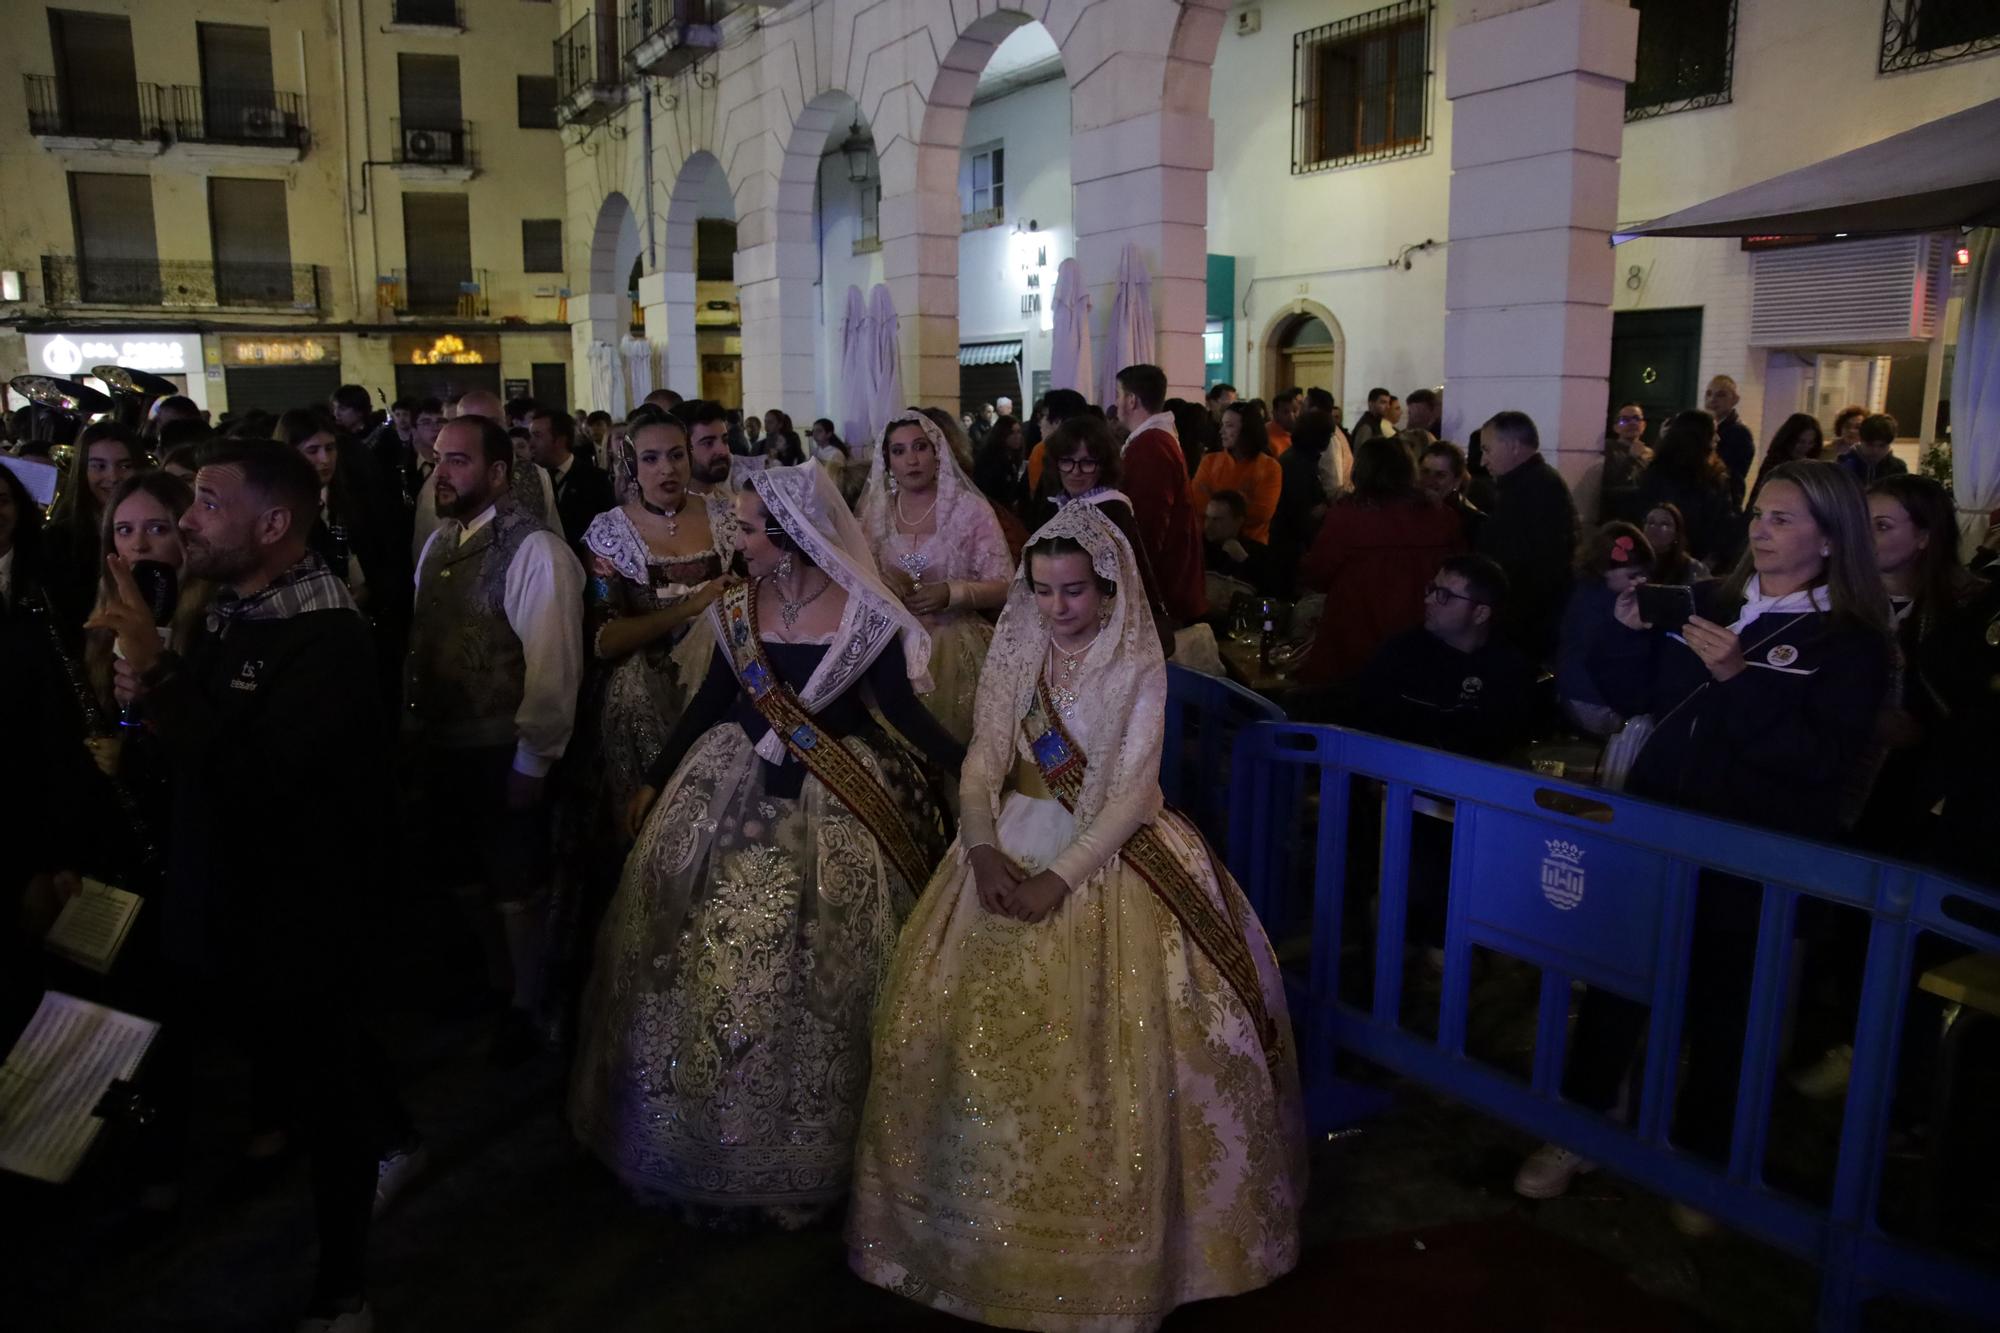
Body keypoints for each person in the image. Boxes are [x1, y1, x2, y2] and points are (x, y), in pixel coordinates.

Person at [847, 502, 1305, 1328]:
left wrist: (1057, 879)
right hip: (1004, 840)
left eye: (1075, 591)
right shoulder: (1013, 648)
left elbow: (1131, 793)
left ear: (1108, 586)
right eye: (1045, 589)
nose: (1059, 607)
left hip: (1107, 855)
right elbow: (984, 756)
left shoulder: (1137, 664)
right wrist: (982, 847)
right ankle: (965, 1241)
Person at [570, 463, 963, 1224]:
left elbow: (905, 717)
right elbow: (715, 701)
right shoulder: (739, 608)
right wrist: (654, 777)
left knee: (830, 965)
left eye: (748, 529)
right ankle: (709, 1132)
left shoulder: (866, 618)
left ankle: (818, 1135)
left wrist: (973, 765)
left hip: (840, 799)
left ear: (788, 539)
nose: (736, 540)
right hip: (730, 788)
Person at [1516, 461, 1895, 1220]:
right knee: (1616, 988)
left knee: (1728, 1013)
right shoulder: (1719, 601)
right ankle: (1586, 1123)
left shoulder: (1851, 639)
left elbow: (1820, 761)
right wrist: (1625, 637)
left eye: (1784, 517)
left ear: (1830, 536)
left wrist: (1738, 678)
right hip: (1658, 829)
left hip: (1755, 853)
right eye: (1760, 513)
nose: (1761, 527)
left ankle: (1701, 1163)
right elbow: (1642, 699)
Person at [95, 439, 404, 1332]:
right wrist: (147, 697)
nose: (185, 522)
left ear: (273, 524)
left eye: (205, 503)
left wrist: (158, 671)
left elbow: (260, 779)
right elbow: (200, 753)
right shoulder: (232, 611)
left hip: (300, 919)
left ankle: (344, 1286)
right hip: (220, 901)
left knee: (326, 1098)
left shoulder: (330, 635)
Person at [406, 415, 585, 1062]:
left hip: (502, 749)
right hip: (445, 746)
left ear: (499, 472)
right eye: (438, 460)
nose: (442, 473)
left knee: (518, 884)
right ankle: (496, 981)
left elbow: (552, 664)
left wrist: (533, 758)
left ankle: (527, 1003)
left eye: (457, 460)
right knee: (466, 879)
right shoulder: (441, 546)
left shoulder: (534, 550)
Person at [860, 411, 1013, 743]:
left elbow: (1006, 585)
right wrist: (885, 589)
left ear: (938, 452)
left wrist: (951, 593)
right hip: (891, 642)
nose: (911, 460)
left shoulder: (969, 510)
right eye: (898, 451)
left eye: (920, 447)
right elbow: (859, 578)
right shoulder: (876, 513)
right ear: (887, 460)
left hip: (954, 641)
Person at [1296, 434, 1466, 687]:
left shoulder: (1347, 516)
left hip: (1355, 637)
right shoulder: (1441, 516)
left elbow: (1318, 573)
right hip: (1421, 636)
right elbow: (1460, 572)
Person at [1354, 554, 1537, 761]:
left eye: (1444, 595)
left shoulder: (1507, 670)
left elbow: (1508, 748)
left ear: (1480, 613)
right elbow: (1366, 731)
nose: (1428, 600)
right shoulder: (1399, 654)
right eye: (1432, 589)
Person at [1472, 411, 1579, 665]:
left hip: (1527, 620)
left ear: (1513, 446)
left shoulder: (1537, 489)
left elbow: (1532, 561)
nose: (1483, 460)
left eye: (1487, 449)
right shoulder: (1525, 484)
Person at [1113, 364, 1205, 625]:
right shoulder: (1155, 439)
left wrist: (1138, 582)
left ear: (1131, 400)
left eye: (1118, 394)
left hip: (1164, 583)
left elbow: (1148, 522)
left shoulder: (1151, 445)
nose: (1116, 402)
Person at [42, 420, 143, 639]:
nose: (113, 477)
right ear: (81, 470)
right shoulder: (58, 539)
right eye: (99, 466)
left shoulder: (155, 530)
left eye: (125, 466)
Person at [1554, 522, 1655, 737]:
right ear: (1603, 570)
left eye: (1645, 574)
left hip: (1582, 694)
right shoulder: (1598, 605)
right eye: (1633, 575)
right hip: (1592, 699)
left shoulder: (1589, 595)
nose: (1641, 581)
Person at [1630, 409, 1740, 569]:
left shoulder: (1714, 476)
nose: (1718, 438)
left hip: (1680, 561)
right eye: (1714, 432)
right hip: (1674, 561)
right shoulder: (1711, 478)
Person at [1191, 399, 1283, 544]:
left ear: (1248, 429)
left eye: (1229, 426)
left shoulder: (1270, 467)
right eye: (1222, 425)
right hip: (1208, 544)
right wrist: (1242, 501)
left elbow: (1262, 514)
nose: (1221, 431)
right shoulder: (1209, 462)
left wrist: (1214, 499)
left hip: (1252, 547)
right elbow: (1198, 504)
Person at [529, 406, 616, 550]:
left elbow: (607, 532)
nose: (530, 444)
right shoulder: (530, 480)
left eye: (537, 436)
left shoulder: (595, 480)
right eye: (530, 436)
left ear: (559, 440)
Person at [1269, 408, 1338, 579]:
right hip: (1290, 546)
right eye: (1329, 436)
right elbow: (1301, 512)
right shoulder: (1299, 464)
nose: (1330, 441)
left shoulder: (1299, 458)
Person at [1573, 403, 1652, 527]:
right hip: (1616, 518)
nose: (1632, 423)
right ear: (1616, 427)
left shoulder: (1649, 454)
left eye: (1636, 419)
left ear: (1643, 425)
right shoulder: (1609, 449)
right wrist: (1631, 458)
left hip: (1642, 518)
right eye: (1624, 420)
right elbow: (1612, 482)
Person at [1202, 488, 1279, 600]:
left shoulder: (1258, 554)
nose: (1208, 525)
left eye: (1217, 520)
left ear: (1238, 522)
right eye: (1207, 518)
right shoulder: (1196, 548)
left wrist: (1245, 561)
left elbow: (1270, 593)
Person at [1024, 387, 1090, 494]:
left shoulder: (1043, 453)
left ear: (1058, 421)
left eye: (1044, 416)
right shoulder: (1096, 452)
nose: (1040, 423)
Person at [1703, 374, 1756, 506]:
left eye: (1721, 395)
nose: (1712, 400)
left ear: (1735, 400)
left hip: (1722, 505)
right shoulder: (1705, 430)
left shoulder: (1739, 433)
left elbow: (1730, 475)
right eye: (1709, 394)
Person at [1418, 439, 1484, 543]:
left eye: (1440, 475)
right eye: (1425, 472)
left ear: (1457, 481)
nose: (1429, 481)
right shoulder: (1407, 511)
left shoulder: (1472, 522)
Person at [1749, 412, 1824, 503]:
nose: (1806, 447)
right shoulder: (1776, 462)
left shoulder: (1809, 463)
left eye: (1811, 443)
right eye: (1800, 441)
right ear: (1789, 439)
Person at [971, 411, 1029, 512]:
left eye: (1019, 432)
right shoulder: (991, 459)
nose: (1017, 437)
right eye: (1011, 433)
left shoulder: (1011, 456)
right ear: (1002, 434)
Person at [1643, 501, 1710, 585]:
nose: (1655, 527)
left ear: (1676, 534)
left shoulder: (1693, 568)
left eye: (1664, 524)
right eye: (1651, 522)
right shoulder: (1633, 563)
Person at [1837, 412, 1908, 486]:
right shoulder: (1844, 463)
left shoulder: (1898, 468)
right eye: (1870, 445)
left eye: (1882, 446)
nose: (1875, 450)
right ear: (1861, 439)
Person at [1266, 386, 1301, 456]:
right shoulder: (1267, 438)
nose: (1291, 416)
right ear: (1275, 413)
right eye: (1286, 412)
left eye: (1294, 411)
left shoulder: (1300, 434)